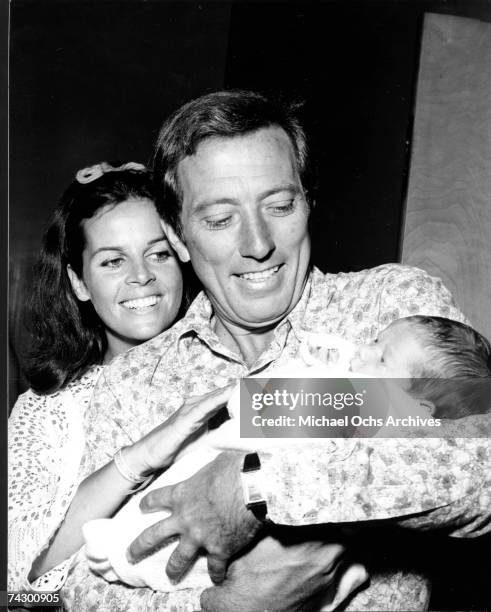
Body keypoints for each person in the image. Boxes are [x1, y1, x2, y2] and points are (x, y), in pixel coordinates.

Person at [64, 91, 490, 612]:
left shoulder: (391, 308)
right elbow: (81, 590)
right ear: (176, 235)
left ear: (308, 201)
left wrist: (256, 487)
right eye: (220, 219)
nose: (259, 242)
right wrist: (226, 607)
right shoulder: (133, 383)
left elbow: (478, 448)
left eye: (280, 205)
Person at [80, 315, 491, 597]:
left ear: (418, 410)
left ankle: (118, 555)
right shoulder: (391, 420)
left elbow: (255, 407)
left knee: (164, 535)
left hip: (233, 507)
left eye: (381, 357)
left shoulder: (369, 408)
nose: (362, 351)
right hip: (275, 532)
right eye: (374, 340)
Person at [8, 161, 231, 595]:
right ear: (79, 282)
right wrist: (142, 455)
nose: (141, 275)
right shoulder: (48, 411)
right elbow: (19, 583)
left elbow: (381, 408)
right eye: (113, 261)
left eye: (158, 252)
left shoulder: (226, 365)